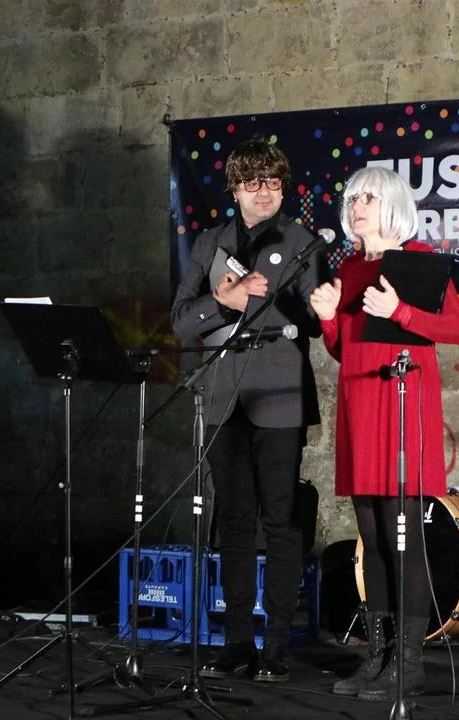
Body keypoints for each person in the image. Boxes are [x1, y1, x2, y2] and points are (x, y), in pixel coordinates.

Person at [309, 166, 459, 700]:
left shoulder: (418, 260)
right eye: (353, 199)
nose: (357, 207)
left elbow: (456, 329)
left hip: (402, 407)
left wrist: (399, 310)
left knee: (404, 539)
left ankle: (409, 663)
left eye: (368, 198)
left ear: (394, 205)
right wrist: (329, 319)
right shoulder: (350, 267)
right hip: (360, 405)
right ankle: (377, 657)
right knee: (372, 538)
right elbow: (346, 348)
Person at [170, 137, 326, 682]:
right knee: (234, 521)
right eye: (255, 182)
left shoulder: (302, 242)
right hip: (222, 395)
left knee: (280, 521)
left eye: (275, 182)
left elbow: (315, 320)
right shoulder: (208, 243)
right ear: (235, 189)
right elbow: (181, 321)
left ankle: (277, 645)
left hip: (279, 395)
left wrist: (313, 306)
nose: (266, 192)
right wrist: (222, 302)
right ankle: (237, 642)